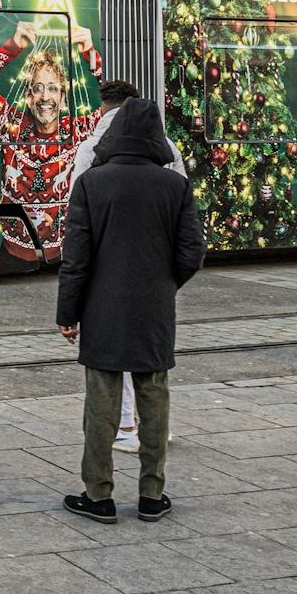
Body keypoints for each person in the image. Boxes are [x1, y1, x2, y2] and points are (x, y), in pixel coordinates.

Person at [58, 98, 204, 525]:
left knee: (101, 403)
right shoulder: (174, 185)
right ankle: (151, 495)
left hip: (101, 308)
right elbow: (192, 251)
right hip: (153, 309)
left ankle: (98, 495)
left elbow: (76, 257)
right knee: (154, 398)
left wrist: (68, 312)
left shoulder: (91, 183)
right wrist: (164, 283)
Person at [69, 80, 187, 455]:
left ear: (104, 107)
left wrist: (70, 300)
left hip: (106, 271)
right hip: (154, 272)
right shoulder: (169, 149)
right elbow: (184, 223)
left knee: (109, 357)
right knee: (150, 357)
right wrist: (170, 276)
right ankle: (155, 434)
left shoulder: (89, 150)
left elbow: (78, 222)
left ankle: (123, 429)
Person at [0, 19, 104, 273]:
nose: (45, 97)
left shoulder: (79, 130)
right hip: (12, 258)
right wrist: (13, 46)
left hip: (64, 257)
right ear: (28, 97)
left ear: (62, 99)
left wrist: (90, 55)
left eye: (52, 89)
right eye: (37, 89)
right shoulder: (10, 123)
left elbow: (124, 104)